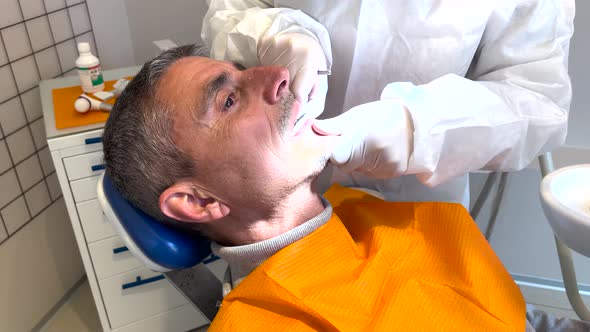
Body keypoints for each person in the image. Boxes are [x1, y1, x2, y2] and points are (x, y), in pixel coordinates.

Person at [102, 45, 527, 331]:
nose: (279, 74)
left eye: (242, 72)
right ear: (198, 201)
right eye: (228, 100)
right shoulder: (259, 319)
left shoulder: (360, 209)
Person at [201, 0, 575, 208]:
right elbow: (231, 10)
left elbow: (537, 99)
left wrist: (420, 131)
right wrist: (272, 33)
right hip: (273, 202)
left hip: (419, 205)